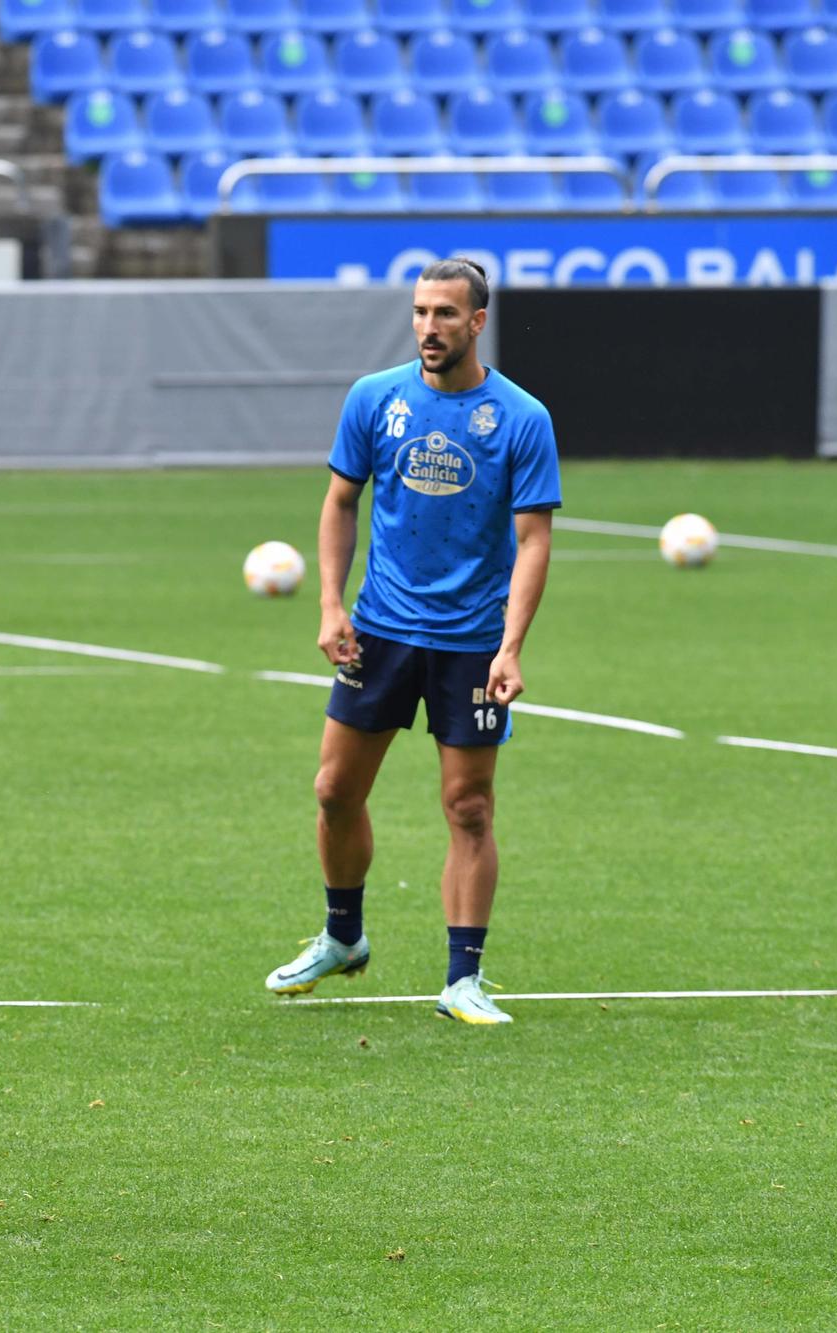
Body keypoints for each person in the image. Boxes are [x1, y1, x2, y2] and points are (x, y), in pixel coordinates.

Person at [264, 258, 561, 1026]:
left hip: (469, 640)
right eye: (422, 313)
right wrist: (332, 605)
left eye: (446, 315)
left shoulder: (522, 419)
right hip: (382, 630)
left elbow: (533, 541)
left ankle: (463, 977)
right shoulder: (375, 399)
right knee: (334, 791)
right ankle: (342, 936)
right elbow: (339, 503)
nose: (430, 327)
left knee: (468, 807)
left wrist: (511, 645)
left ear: (478, 322)